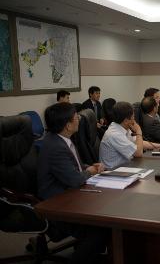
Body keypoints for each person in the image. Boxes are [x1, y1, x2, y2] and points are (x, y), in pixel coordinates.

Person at [37, 102, 109, 264]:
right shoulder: (55, 146)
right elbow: (75, 180)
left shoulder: (61, 139)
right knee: (101, 229)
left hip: (68, 193)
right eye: (76, 117)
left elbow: (74, 166)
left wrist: (88, 167)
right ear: (68, 125)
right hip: (57, 203)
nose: (79, 119)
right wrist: (91, 171)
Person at [99, 102, 160, 169]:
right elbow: (138, 153)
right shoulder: (115, 134)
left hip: (125, 167)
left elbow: (139, 143)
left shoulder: (122, 127)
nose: (134, 120)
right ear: (126, 121)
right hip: (112, 173)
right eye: (133, 118)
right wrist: (139, 131)